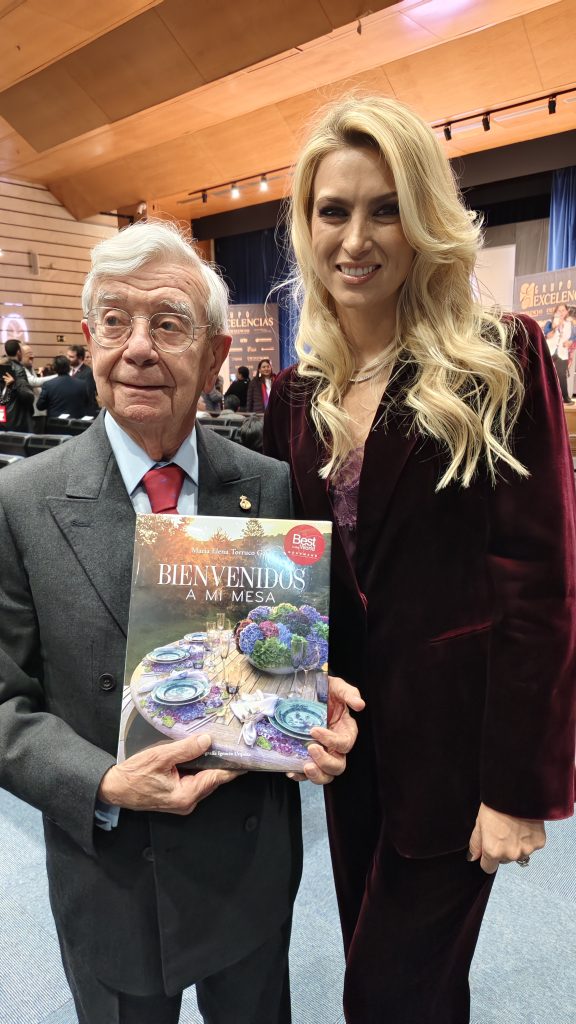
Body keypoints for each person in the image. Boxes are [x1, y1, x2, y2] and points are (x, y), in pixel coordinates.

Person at [0, 221, 362, 1024]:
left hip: (247, 871)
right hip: (112, 875)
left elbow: (290, 643)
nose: (138, 348)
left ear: (216, 355)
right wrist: (101, 782)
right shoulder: (20, 501)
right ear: (89, 338)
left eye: (168, 324)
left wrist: (318, 703)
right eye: (115, 322)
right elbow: (3, 702)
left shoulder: (271, 484)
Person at [264, 95, 576, 1024]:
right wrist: (287, 714)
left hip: (457, 756)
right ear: (307, 226)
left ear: (425, 221)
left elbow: (541, 585)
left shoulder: (497, 360)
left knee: (385, 997)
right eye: (334, 211)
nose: (356, 238)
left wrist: (520, 788)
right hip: (345, 752)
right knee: (417, 988)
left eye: (386, 209)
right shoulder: (297, 393)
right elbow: (298, 582)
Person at [36, 354, 92, 419]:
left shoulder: (48, 385)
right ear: (69, 367)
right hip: (76, 422)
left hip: (55, 422)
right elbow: (87, 403)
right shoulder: (82, 384)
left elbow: (40, 406)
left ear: (54, 368)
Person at [0, 338, 35, 432]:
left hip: (4, 416)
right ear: (19, 352)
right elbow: (28, 397)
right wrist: (15, 384)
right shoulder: (18, 369)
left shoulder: (2, 366)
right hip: (18, 417)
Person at [543, 304, 573, 403]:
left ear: (567, 312)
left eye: (563, 310)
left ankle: (565, 397)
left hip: (562, 353)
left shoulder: (570, 324)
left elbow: (573, 337)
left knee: (562, 375)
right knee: (548, 375)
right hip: (550, 352)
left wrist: (570, 342)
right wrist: (555, 327)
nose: (561, 312)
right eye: (559, 310)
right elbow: (548, 335)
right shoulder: (549, 322)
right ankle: (548, 398)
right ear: (555, 312)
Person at [67, 342, 100, 415]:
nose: (68, 359)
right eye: (68, 356)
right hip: (71, 409)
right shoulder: (68, 370)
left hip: (83, 411)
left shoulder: (88, 372)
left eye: (71, 357)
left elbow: (88, 394)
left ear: (80, 358)